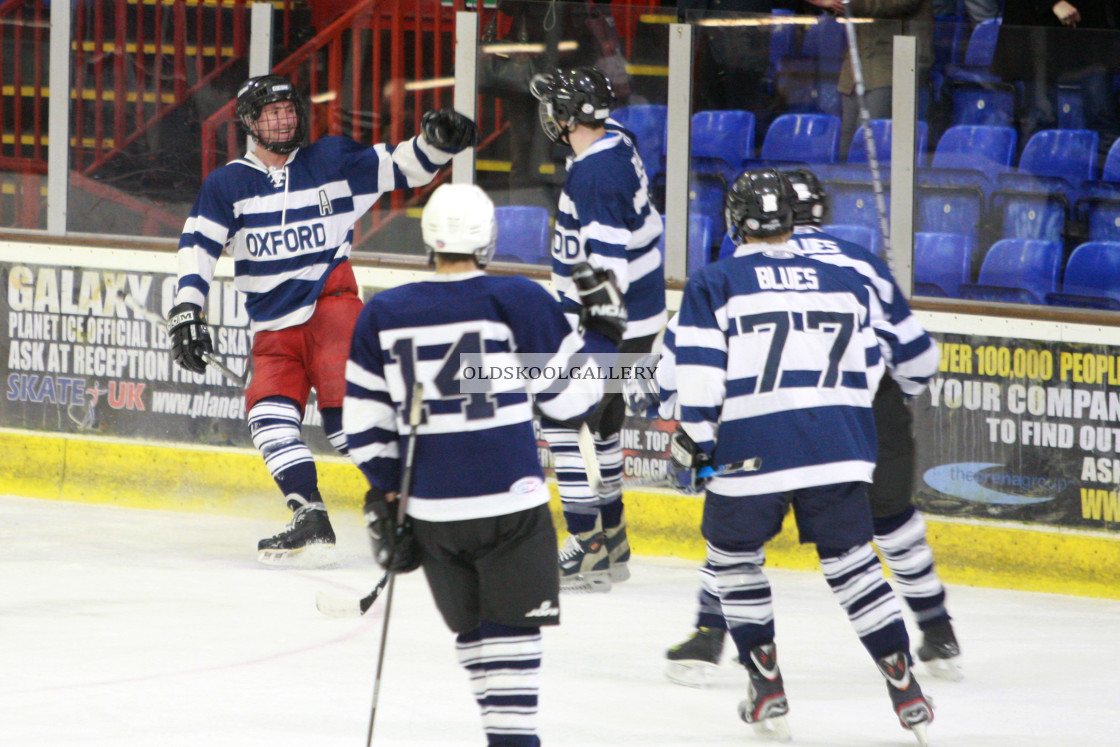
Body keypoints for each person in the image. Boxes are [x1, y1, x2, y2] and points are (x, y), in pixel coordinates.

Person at [341, 183, 627, 747]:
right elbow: (573, 401)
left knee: (478, 642)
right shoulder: (518, 300)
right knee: (511, 654)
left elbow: (365, 432)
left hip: (432, 514)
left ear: (429, 239)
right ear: (488, 242)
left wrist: (386, 493)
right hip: (510, 507)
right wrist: (604, 335)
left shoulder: (384, 313)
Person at [667, 168, 938, 742]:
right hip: (840, 445)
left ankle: (766, 685)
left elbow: (697, 375)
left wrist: (694, 443)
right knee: (853, 566)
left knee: (734, 558)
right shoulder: (846, 277)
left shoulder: (715, 280)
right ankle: (903, 680)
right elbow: (873, 367)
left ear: (735, 222)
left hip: (751, 446)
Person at [167, 73, 480, 567]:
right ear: (249, 122)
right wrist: (188, 306)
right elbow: (198, 247)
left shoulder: (331, 160)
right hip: (271, 326)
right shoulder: (227, 184)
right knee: (268, 416)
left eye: (289, 109)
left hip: (332, 310)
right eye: (271, 113)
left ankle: (431, 505)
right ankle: (309, 512)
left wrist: (434, 145)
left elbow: (401, 167)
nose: (284, 119)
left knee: (347, 423)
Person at [529, 66, 667, 592]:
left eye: (554, 107)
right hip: (639, 315)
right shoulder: (616, 142)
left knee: (560, 416)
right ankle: (613, 537)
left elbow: (609, 269)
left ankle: (587, 541)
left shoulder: (596, 176)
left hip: (614, 318)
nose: (548, 116)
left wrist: (593, 335)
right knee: (605, 420)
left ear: (569, 116)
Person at [992, 1, 1120, 169]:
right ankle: (1034, 186)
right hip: (1039, 29)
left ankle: (1104, 188)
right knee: (1039, 117)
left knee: (1101, 114)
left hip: (1093, 28)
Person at [804, 0, 934, 160]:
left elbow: (897, 5)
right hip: (856, 66)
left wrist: (844, 3)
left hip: (894, 65)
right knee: (846, 143)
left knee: (868, 144)